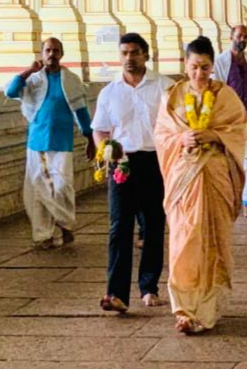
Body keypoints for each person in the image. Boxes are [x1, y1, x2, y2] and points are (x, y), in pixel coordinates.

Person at [154, 36, 247, 334]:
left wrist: (215, 136)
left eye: (205, 68)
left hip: (216, 175)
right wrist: (181, 139)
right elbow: (161, 135)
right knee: (184, 240)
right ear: (186, 64)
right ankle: (183, 308)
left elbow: (237, 130)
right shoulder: (173, 96)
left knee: (214, 239)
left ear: (212, 66)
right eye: (194, 67)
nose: (199, 74)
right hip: (184, 177)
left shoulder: (225, 95)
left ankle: (208, 309)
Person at [93, 33, 173, 313]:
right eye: (125, 53)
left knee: (152, 226)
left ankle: (149, 287)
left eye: (135, 53)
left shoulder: (164, 87)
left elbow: (177, 125)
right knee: (119, 227)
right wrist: (106, 149)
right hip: (122, 162)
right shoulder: (110, 92)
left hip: (155, 161)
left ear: (146, 55)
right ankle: (115, 293)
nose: (129, 58)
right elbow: (100, 128)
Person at [5, 38, 95, 249]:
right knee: (38, 189)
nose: (51, 54)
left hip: (62, 142)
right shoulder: (34, 79)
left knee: (62, 186)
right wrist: (28, 71)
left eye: (55, 51)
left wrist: (90, 138)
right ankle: (44, 235)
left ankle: (66, 225)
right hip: (38, 142)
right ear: (41, 53)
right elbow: (11, 92)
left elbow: (80, 110)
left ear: (61, 54)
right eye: (48, 50)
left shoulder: (70, 80)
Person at [212, 25, 247, 216]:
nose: (242, 39)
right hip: (228, 119)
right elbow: (215, 90)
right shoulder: (221, 61)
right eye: (239, 35)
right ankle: (231, 198)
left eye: (246, 36)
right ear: (231, 37)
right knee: (230, 161)